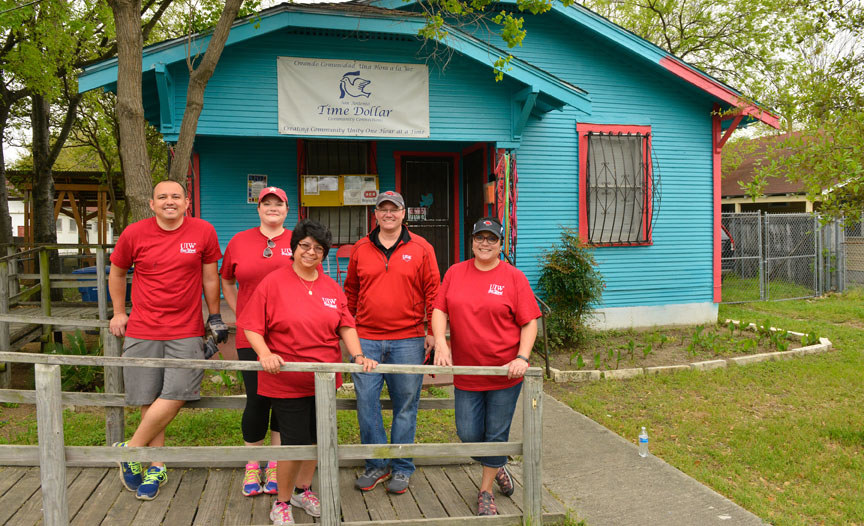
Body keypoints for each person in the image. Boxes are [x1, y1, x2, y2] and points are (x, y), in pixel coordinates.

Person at [239, 219, 378, 525]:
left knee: (319, 438)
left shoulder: (330, 287)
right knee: (295, 441)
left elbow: (345, 324)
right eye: (305, 245)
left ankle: (303, 489)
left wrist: (357, 354)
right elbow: (251, 325)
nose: (311, 252)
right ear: (295, 247)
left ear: (324, 253)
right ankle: (282, 502)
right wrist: (265, 354)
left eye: (318, 248)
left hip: (325, 380)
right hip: (287, 379)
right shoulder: (273, 282)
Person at [109, 180, 226, 501]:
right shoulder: (134, 233)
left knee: (176, 394)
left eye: (176, 196)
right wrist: (119, 312)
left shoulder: (203, 231)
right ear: (152, 204)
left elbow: (210, 275)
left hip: (186, 329)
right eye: (163, 197)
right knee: (149, 397)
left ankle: (130, 450)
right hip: (142, 328)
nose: (169, 201)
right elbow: (117, 272)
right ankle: (155, 465)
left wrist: (214, 316)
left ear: (187, 202)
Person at [431, 217, 540, 516]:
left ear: (500, 245)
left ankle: (486, 491)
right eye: (480, 237)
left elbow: (529, 322)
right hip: (467, 372)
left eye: (492, 239)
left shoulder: (514, 278)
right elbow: (439, 309)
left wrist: (522, 357)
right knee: (467, 433)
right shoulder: (455, 273)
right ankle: (498, 463)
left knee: (496, 434)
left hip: (505, 373)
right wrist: (441, 341)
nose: (485, 243)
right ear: (473, 240)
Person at [344, 190, 440, 494]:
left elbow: (434, 293)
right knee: (366, 403)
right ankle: (376, 465)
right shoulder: (360, 248)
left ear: (403, 214)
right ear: (375, 214)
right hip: (367, 339)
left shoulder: (422, 248)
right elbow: (350, 294)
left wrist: (433, 332)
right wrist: (350, 332)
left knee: (406, 406)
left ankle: (401, 467)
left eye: (394, 209)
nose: (388, 214)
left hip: (408, 339)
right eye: (382, 209)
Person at [221, 186, 293, 497]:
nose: (273, 208)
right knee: (257, 396)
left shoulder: (297, 240)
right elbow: (226, 278)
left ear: (287, 210)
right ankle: (253, 462)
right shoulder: (239, 241)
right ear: (258, 208)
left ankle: (275, 462)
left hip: (289, 335)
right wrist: (241, 312)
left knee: (283, 397)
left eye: (279, 204)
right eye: (267, 203)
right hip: (250, 335)